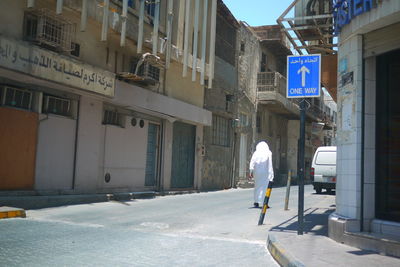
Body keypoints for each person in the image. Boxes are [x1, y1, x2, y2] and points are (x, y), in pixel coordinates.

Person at [249, 141, 274, 208]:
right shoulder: (268, 153)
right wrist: (271, 174)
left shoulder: (256, 153)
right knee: (265, 188)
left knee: (257, 187)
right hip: (265, 173)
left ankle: (256, 202)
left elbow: (252, 162)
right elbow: (270, 164)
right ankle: (264, 203)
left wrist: (250, 171)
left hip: (257, 173)